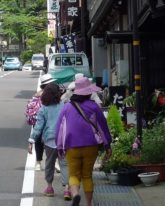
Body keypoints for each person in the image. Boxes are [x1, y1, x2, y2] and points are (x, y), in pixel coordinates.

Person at [55, 76, 112, 206]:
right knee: (87, 175)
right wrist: (108, 145)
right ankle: (88, 203)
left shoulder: (66, 107)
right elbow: (103, 127)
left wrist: (59, 147)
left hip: (71, 146)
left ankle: (75, 195)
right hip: (91, 145)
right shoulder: (94, 106)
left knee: (73, 174)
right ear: (89, 92)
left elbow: (59, 128)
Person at [28, 83, 71, 200]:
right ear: (58, 94)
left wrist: (31, 140)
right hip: (64, 140)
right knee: (65, 164)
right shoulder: (64, 106)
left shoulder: (43, 109)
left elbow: (38, 127)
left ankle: (50, 188)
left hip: (49, 141)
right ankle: (67, 189)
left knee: (49, 164)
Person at [25, 73, 57, 171]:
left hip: (37, 121)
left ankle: (38, 163)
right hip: (49, 121)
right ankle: (54, 163)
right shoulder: (53, 94)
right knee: (53, 141)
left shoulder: (37, 95)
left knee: (38, 142)